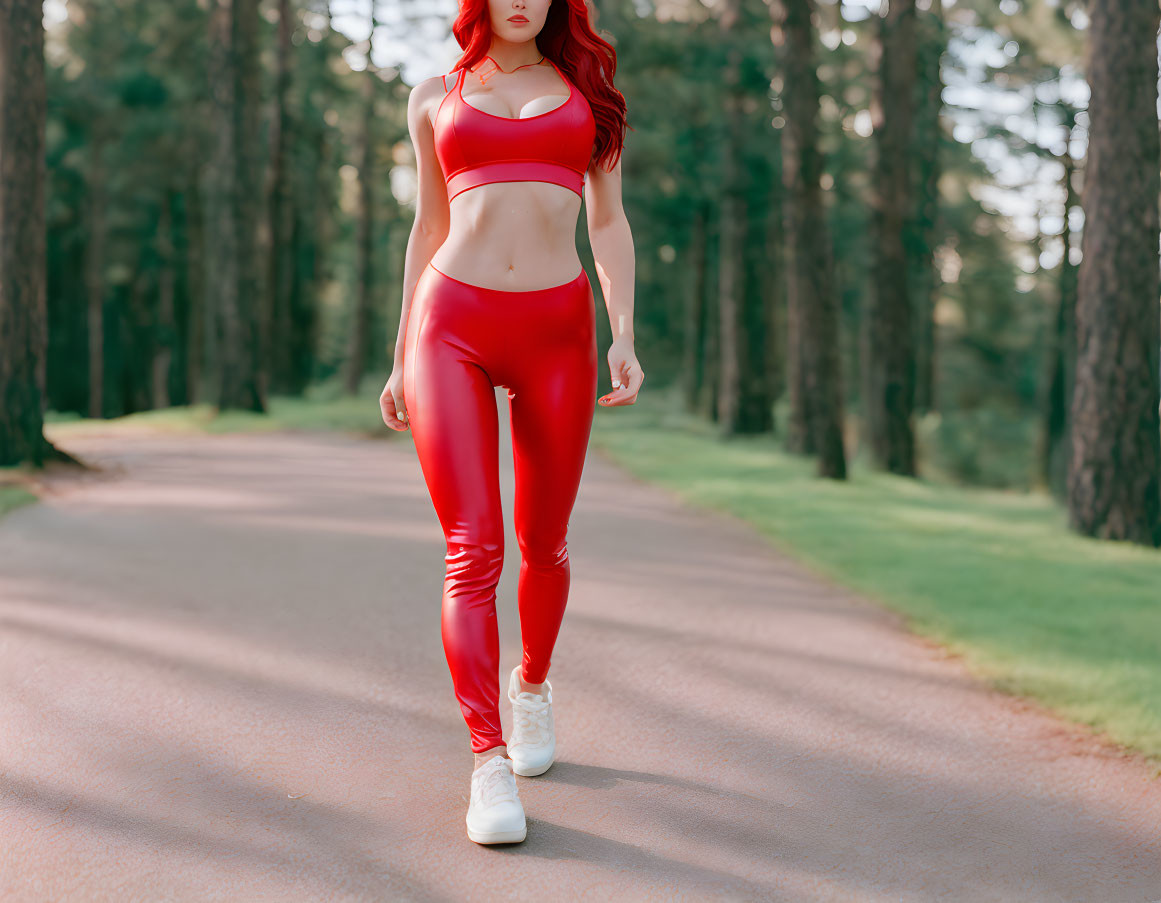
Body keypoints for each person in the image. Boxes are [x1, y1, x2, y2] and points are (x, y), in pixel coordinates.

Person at [379, 0, 642, 845]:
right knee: (472, 548)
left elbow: (607, 220)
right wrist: (397, 354)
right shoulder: (433, 96)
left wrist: (623, 333)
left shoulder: (587, 93)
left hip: (557, 331)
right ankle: (486, 758)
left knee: (544, 540)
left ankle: (532, 687)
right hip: (449, 321)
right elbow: (428, 223)